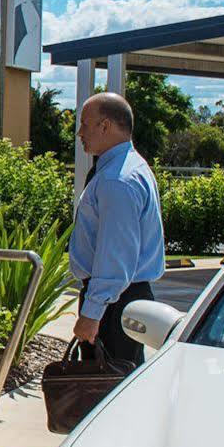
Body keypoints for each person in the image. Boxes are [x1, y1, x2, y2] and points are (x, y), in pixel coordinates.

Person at [70, 91, 166, 366]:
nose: (80, 133)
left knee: (105, 390)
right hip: (123, 297)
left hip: (116, 302)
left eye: (85, 124)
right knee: (119, 379)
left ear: (105, 126)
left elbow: (116, 255)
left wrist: (92, 312)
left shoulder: (117, 180)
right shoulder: (129, 168)